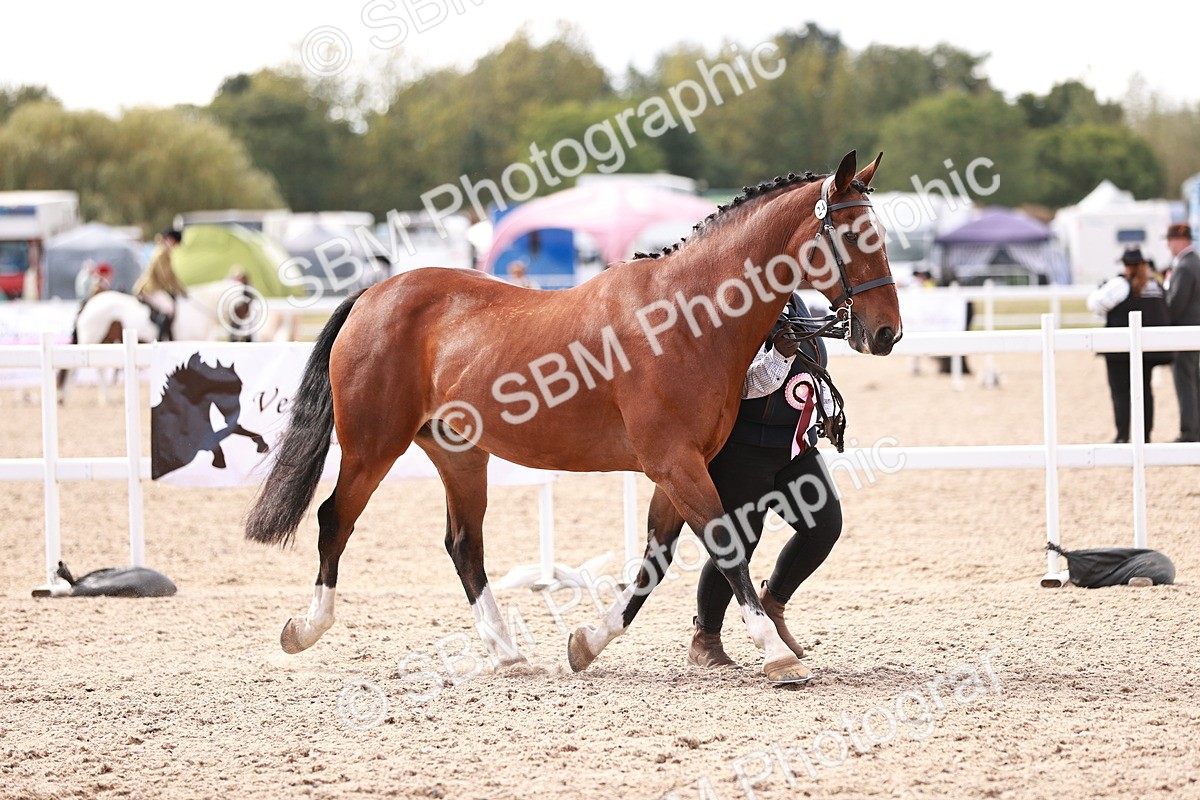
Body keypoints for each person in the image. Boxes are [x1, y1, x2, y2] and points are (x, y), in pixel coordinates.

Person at [688, 293, 842, 668]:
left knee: (824, 527)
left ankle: (773, 603)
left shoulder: (798, 304)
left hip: (794, 449)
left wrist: (827, 408)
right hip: (745, 451)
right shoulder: (735, 308)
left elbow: (811, 367)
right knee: (738, 544)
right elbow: (738, 386)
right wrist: (778, 356)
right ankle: (705, 637)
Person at [1086, 247, 1172, 443]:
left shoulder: (1119, 285)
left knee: (1120, 393)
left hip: (1119, 351)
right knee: (1145, 392)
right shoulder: (1155, 285)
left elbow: (1095, 304)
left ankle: (1123, 435)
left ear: (1125, 265)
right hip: (1147, 350)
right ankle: (1145, 436)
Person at [1164, 223, 1200, 442]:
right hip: (1193, 330)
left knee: (1184, 380)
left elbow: (1176, 303)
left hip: (1183, 331)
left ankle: (1189, 431)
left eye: (1169, 241)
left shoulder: (1185, 267)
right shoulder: (1195, 262)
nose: (1168, 247)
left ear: (1179, 240)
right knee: (1193, 379)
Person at [133, 228, 186, 340]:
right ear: (169, 240)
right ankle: (161, 337)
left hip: (157, 287)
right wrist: (176, 289)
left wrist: (181, 289)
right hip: (151, 288)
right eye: (174, 243)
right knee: (168, 308)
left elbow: (172, 275)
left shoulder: (165, 253)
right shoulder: (161, 253)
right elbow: (165, 275)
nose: (175, 246)